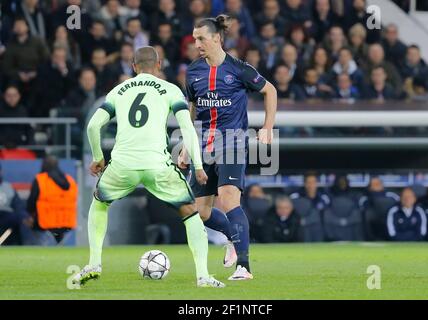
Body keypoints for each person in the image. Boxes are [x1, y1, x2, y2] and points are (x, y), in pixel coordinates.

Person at [73, 46, 225, 288]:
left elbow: (93, 126)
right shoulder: (170, 89)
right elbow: (187, 128)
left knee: (99, 203)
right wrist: (197, 165)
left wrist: (97, 157)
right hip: (157, 163)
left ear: (133, 67)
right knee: (190, 212)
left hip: (123, 163)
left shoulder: (118, 90)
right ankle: (203, 276)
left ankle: (93, 263)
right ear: (159, 65)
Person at [179, 15, 277, 280]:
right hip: (203, 146)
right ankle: (232, 238)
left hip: (232, 142)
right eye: (194, 38)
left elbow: (271, 90)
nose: (196, 43)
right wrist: (187, 146)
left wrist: (267, 127)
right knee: (201, 212)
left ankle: (244, 267)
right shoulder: (193, 71)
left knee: (229, 197)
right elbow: (192, 110)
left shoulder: (238, 68)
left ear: (216, 38)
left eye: (201, 38)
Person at [26, 155, 78, 245]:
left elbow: (31, 203)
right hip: (67, 224)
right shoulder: (70, 180)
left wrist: (29, 215)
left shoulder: (40, 179)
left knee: (24, 220)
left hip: (45, 224)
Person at [0, 162, 33, 245]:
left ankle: (24, 246)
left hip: (5, 215)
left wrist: (25, 216)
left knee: (22, 218)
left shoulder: (7, 187)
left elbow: (18, 205)